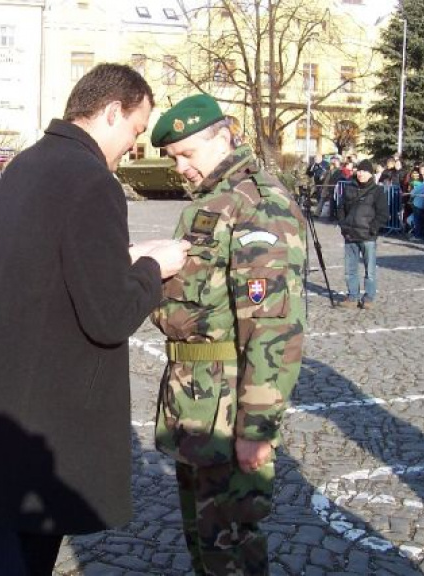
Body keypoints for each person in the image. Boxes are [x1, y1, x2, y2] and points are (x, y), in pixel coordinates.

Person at [0, 63, 189, 576]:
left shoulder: (26, 165)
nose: (133, 146)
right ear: (112, 111)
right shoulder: (93, 180)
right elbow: (109, 317)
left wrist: (121, 258)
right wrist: (152, 267)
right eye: (136, 130)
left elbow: (43, 264)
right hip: (37, 425)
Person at [148, 93, 306, 575]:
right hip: (195, 402)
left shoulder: (257, 207)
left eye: (186, 153)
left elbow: (273, 329)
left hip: (228, 408)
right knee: (205, 541)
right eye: (173, 158)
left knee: (232, 546)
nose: (180, 167)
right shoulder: (213, 203)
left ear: (222, 137)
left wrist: (256, 430)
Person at [337, 159, 388, 309]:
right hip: (350, 235)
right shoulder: (349, 188)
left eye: (364, 171)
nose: (361, 173)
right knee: (350, 270)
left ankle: (368, 298)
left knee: (370, 271)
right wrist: (343, 226)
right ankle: (352, 296)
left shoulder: (377, 191)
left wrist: (373, 228)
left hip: (367, 237)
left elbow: (383, 214)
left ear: (370, 173)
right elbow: (341, 209)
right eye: (359, 170)